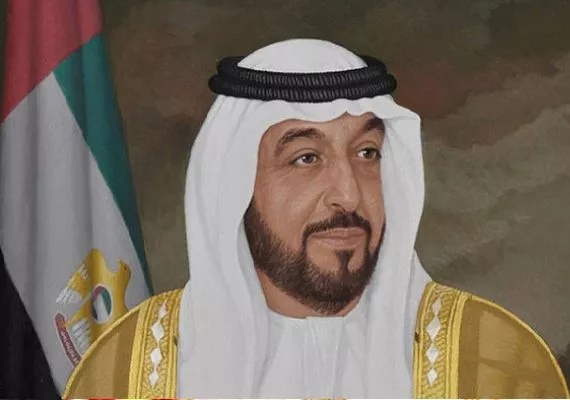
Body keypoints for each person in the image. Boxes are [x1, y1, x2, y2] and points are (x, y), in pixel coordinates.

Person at [63, 38, 569, 398]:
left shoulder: (496, 366)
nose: (348, 194)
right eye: (306, 158)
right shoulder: (130, 372)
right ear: (235, 184)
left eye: (367, 153)